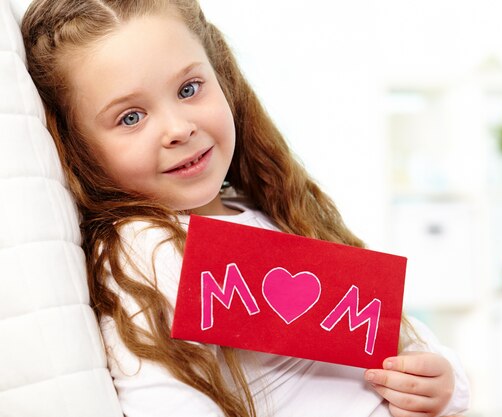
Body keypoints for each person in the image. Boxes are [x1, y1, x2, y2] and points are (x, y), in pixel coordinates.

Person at [21, 1, 469, 416]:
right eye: (130, 117)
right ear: (78, 149)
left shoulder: (273, 211)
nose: (178, 128)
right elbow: (171, 404)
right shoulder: (147, 249)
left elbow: (404, 339)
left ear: (224, 80)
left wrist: (443, 382)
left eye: (189, 88)